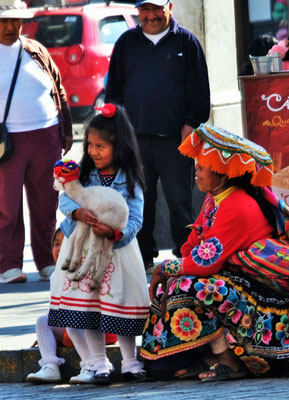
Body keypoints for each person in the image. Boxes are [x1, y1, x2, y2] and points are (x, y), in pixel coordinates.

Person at [141, 124, 289, 381]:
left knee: (191, 285)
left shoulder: (237, 205)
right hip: (240, 282)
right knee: (177, 285)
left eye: (201, 166)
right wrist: (174, 267)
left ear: (222, 172)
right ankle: (199, 357)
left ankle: (227, 359)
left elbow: (204, 263)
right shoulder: (215, 198)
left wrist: (165, 268)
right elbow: (193, 245)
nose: (195, 170)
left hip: (264, 296)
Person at [48, 104, 149, 385]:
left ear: (119, 146)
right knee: (88, 307)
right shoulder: (81, 173)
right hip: (82, 252)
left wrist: (116, 233)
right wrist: (76, 212)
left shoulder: (129, 181)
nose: (93, 151)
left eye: (101, 146)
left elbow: (136, 217)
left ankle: (130, 361)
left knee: (118, 305)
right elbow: (66, 197)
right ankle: (98, 362)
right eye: (90, 144)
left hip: (116, 253)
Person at [105, 0, 210, 270]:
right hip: (135, 138)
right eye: (145, 10)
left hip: (176, 138)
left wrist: (190, 124)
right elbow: (114, 91)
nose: (151, 16)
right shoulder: (126, 43)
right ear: (138, 11)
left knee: (179, 201)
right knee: (141, 199)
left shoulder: (186, 42)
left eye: (157, 9)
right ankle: (143, 258)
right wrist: (116, 127)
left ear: (169, 7)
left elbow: (200, 92)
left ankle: (186, 257)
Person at [0, 0, 73, 284]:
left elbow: (59, 89)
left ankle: (47, 261)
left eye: (14, 21)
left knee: (46, 203)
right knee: (6, 206)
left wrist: (65, 129)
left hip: (46, 135)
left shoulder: (35, 50)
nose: (9, 27)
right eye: (3, 21)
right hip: (7, 142)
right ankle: (8, 265)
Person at [26, 228, 118, 384]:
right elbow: (57, 311)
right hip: (73, 328)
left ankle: (91, 365)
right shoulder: (56, 275)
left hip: (99, 327)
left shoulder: (88, 270)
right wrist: (48, 337)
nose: (60, 249)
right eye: (56, 244)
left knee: (72, 323)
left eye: (66, 244)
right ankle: (50, 365)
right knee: (43, 322)